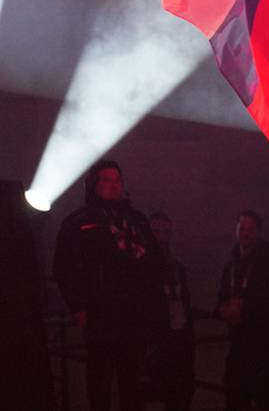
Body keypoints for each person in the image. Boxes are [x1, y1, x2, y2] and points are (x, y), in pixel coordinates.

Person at [53, 158, 163, 411]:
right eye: (107, 180)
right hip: (100, 314)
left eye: (117, 181)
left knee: (132, 382)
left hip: (134, 315)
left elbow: (154, 264)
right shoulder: (78, 223)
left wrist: (152, 308)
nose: (114, 185)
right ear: (94, 184)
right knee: (100, 381)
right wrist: (78, 306)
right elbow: (64, 267)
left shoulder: (137, 220)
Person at [217, 210, 269, 411]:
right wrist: (223, 309)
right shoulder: (231, 266)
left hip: (264, 345)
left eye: (250, 229)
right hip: (239, 342)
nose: (245, 233)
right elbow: (222, 297)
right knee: (235, 394)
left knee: (265, 397)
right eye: (242, 228)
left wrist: (246, 311)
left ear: (259, 232)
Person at [146, 212, 195, 411]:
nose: (161, 237)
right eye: (156, 232)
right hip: (159, 340)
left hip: (178, 339)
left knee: (180, 391)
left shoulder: (177, 267)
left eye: (165, 232)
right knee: (163, 391)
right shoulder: (141, 267)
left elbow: (184, 302)